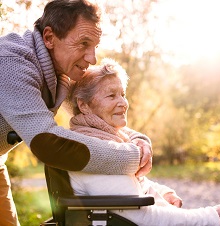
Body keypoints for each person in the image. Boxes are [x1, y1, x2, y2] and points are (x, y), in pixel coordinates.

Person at [0, 1, 152, 225]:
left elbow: (93, 111)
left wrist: (138, 140)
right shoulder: (13, 63)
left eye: (95, 46)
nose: (92, 58)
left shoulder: (60, 68)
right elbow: (48, 142)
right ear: (49, 37)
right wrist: (132, 157)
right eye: (83, 43)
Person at [68, 58, 220, 226]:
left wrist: (161, 193)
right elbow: (143, 218)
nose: (123, 103)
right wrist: (214, 217)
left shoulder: (105, 139)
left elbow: (126, 185)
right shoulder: (91, 149)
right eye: (111, 95)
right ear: (84, 105)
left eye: (123, 94)